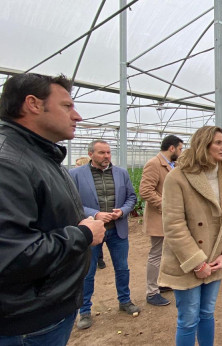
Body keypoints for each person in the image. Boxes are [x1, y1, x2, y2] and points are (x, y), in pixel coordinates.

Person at [0, 73, 105, 345]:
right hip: (26, 321)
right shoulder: (8, 163)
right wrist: (82, 234)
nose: (78, 116)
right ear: (33, 104)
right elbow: (11, 255)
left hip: (45, 308)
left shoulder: (41, 156)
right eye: (67, 106)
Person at [158, 126, 222, 346]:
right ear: (204, 145)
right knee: (188, 319)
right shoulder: (178, 177)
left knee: (207, 313)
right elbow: (173, 225)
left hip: (215, 258)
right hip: (188, 260)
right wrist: (197, 262)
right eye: (218, 143)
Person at [69, 140, 139, 330]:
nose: (106, 156)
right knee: (88, 273)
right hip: (91, 231)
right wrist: (95, 214)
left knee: (122, 268)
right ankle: (84, 311)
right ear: (91, 154)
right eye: (101, 153)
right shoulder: (75, 174)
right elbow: (71, 202)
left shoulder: (121, 173)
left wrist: (122, 211)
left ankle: (124, 301)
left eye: (108, 152)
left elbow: (132, 197)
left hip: (117, 229)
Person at [140, 134, 184, 306]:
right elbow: (145, 191)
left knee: (168, 253)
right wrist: (166, 205)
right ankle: (151, 292)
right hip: (160, 217)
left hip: (172, 219)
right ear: (171, 148)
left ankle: (162, 283)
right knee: (156, 254)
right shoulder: (154, 164)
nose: (181, 152)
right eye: (180, 149)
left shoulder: (174, 165)